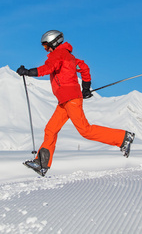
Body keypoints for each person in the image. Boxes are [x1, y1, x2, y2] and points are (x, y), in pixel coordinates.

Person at [17, 30, 135, 176]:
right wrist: (86, 88)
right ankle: (41, 163)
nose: (45, 49)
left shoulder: (58, 55)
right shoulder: (69, 56)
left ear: (53, 43)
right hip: (65, 101)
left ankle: (123, 138)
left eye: (46, 46)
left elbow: (48, 68)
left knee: (85, 130)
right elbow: (84, 67)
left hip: (71, 99)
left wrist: (28, 72)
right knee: (50, 130)